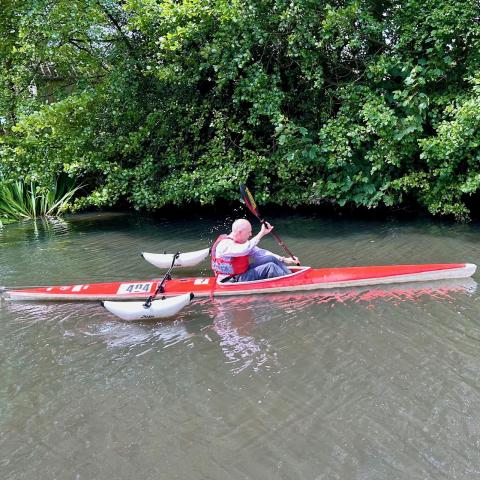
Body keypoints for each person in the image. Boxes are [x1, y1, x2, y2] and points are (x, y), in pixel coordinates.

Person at [211, 219, 299, 282]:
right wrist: (261, 233)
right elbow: (243, 250)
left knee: (270, 258)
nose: (250, 234)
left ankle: (290, 276)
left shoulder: (242, 242)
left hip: (242, 272)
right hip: (232, 279)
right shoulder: (225, 245)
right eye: (249, 232)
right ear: (239, 232)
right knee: (270, 267)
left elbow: (260, 253)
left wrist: (284, 259)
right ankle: (293, 281)